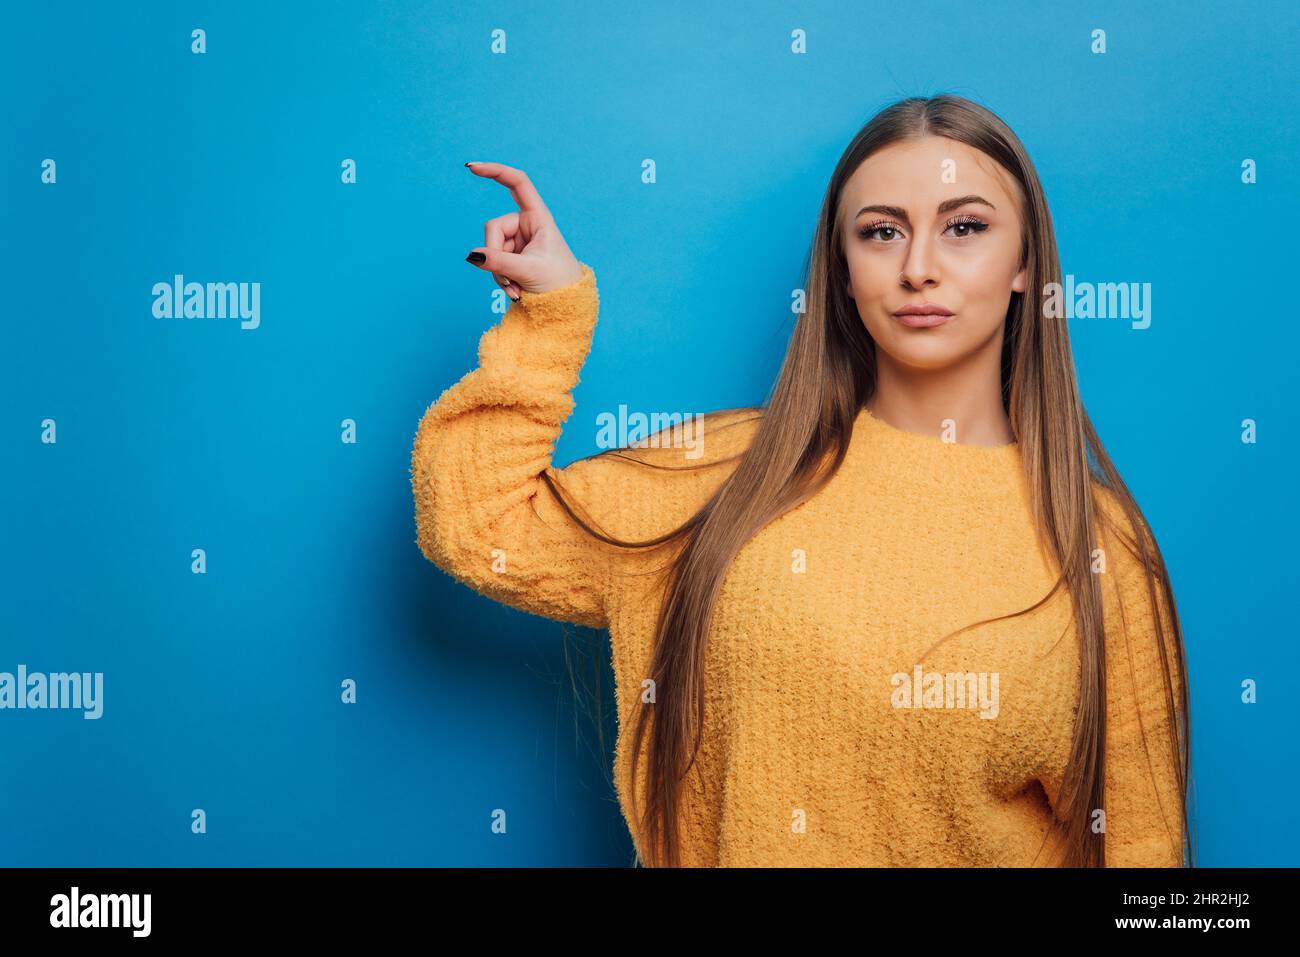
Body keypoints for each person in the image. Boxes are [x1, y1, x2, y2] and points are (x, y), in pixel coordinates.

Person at [411, 94, 1193, 868]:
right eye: (882, 232)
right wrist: (548, 316)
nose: (919, 268)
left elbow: (1144, 862)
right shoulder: (726, 473)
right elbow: (478, 525)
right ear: (844, 273)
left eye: (965, 227)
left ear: (1025, 265)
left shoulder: (1102, 549)